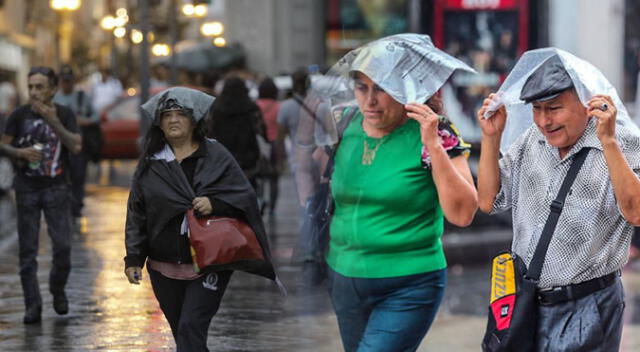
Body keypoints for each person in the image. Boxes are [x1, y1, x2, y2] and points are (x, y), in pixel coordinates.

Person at [297, 34, 478, 351]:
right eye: (361, 87)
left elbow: (462, 213)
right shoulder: (344, 121)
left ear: (406, 91)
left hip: (409, 282)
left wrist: (433, 146)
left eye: (381, 89)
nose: (369, 101)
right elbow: (316, 174)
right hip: (344, 276)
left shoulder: (436, 132)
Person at [477, 50, 640, 351]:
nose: (543, 120)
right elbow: (488, 201)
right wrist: (491, 138)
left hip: (589, 306)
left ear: (585, 100)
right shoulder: (530, 141)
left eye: (553, 108)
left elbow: (636, 213)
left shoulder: (625, 142)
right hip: (526, 303)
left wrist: (609, 142)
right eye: (537, 109)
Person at [124, 87, 279, 351]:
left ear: (195, 119)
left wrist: (215, 203)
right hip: (163, 266)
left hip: (210, 262)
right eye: (166, 115)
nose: (173, 120)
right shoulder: (151, 163)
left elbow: (245, 197)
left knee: (190, 328)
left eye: (180, 114)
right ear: (159, 123)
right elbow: (137, 211)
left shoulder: (216, 156)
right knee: (184, 336)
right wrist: (134, 257)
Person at [0, 66, 82, 324]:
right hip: (26, 188)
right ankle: (32, 304)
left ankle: (57, 289)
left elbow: (77, 146)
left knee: (63, 247)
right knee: (28, 252)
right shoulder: (19, 115)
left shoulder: (65, 114)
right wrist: (19, 153)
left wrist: (53, 120)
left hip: (57, 187)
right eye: (31, 86)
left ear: (53, 89)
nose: (34, 92)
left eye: (40, 87)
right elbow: (3, 144)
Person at [53, 65, 96, 229]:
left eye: (68, 81)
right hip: (59, 146)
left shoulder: (81, 97)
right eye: (63, 81)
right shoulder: (55, 98)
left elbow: (96, 115)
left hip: (79, 145)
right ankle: (64, 206)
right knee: (61, 177)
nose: (66, 85)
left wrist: (85, 121)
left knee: (78, 176)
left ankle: (76, 207)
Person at [206, 77, 263, 189]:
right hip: (248, 156)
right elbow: (260, 130)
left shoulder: (216, 108)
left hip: (222, 156)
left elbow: (209, 131)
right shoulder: (252, 108)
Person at [256, 78, 281, 214]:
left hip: (260, 144)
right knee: (274, 178)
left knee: (259, 175)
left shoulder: (256, 105)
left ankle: (260, 200)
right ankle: (272, 207)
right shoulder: (278, 106)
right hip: (274, 144)